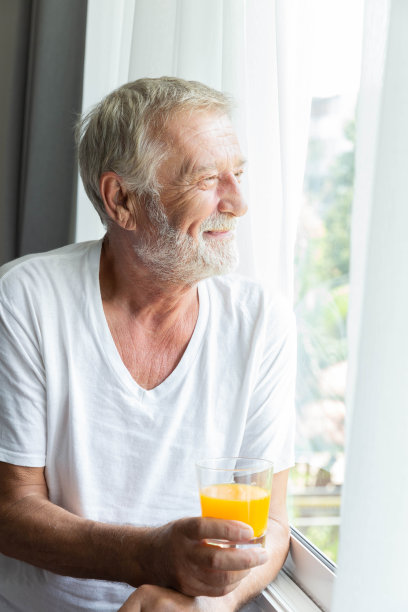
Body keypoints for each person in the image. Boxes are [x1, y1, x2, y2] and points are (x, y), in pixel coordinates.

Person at [0, 77, 296, 611]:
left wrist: (209, 605)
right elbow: (9, 507)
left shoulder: (261, 320)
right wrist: (148, 556)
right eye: (208, 178)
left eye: (239, 174)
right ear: (122, 199)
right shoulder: (25, 298)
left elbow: (272, 523)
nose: (239, 203)